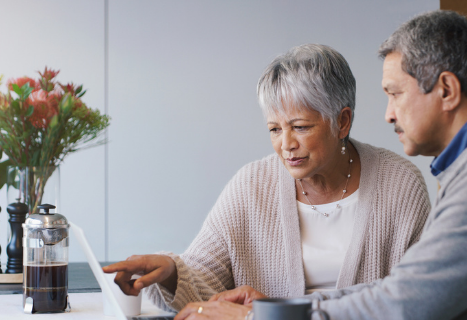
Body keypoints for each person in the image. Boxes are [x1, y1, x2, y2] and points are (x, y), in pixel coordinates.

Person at [196, 10, 467, 320]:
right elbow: (404, 289)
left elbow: (408, 302)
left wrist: (269, 315)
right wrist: (281, 307)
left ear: (446, 90)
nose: (389, 114)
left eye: (395, 94)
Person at [103, 44, 431, 317]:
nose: (285, 144)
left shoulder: (400, 184)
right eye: (275, 129)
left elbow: (415, 299)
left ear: (342, 122)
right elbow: (206, 275)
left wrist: (268, 315)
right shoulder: (252, 184)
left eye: (300, 127)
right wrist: (172, 271)